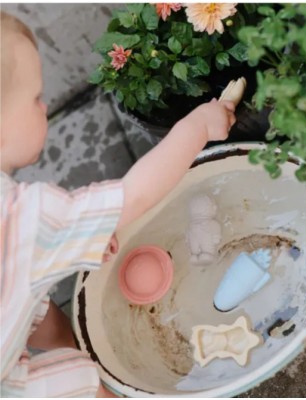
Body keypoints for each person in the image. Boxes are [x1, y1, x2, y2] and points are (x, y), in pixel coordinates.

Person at [0, 11, 236, 397]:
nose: (44, 108)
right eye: (36, 98)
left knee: (32, 302)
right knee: (77, 377)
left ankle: (69, 342)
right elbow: (135, 195)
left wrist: (78, 237)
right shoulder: (25, 216)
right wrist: (196, 128)